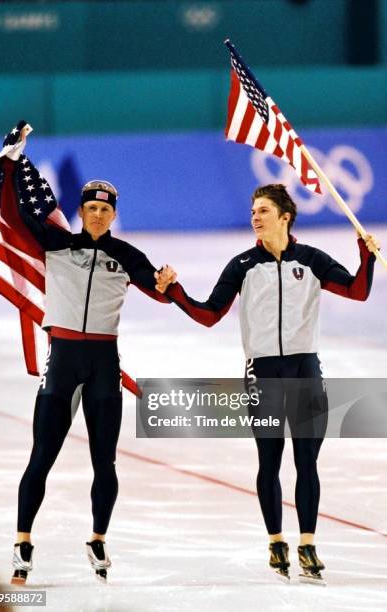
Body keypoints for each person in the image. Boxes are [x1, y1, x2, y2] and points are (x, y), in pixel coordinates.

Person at [155, 183, 379, 583]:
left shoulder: (311, 260)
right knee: (270, 461)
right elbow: (209, 315)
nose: (255, 217)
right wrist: (174, 291)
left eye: (263, 211)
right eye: (253, 211)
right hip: (263, 372)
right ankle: (276, 539)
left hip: (305, 368)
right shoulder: (242, 265)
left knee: (307, 461)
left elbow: (357, 291)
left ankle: (307, 543)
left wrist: (367, 257)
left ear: (284, 217)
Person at [0, 122, 174, 584]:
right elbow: (12, 216)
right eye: (90, 208)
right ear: (80, 210)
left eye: (103, 210)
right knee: (41, 456)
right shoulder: (57, 244)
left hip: (103, 364)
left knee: (104, 460)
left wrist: (168, 285)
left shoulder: (126, 256)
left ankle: (97, 539)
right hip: (64, 359)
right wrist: (10, 162)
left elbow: (160, 291)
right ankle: (23, 541)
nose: (96, 216)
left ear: (113, 215)